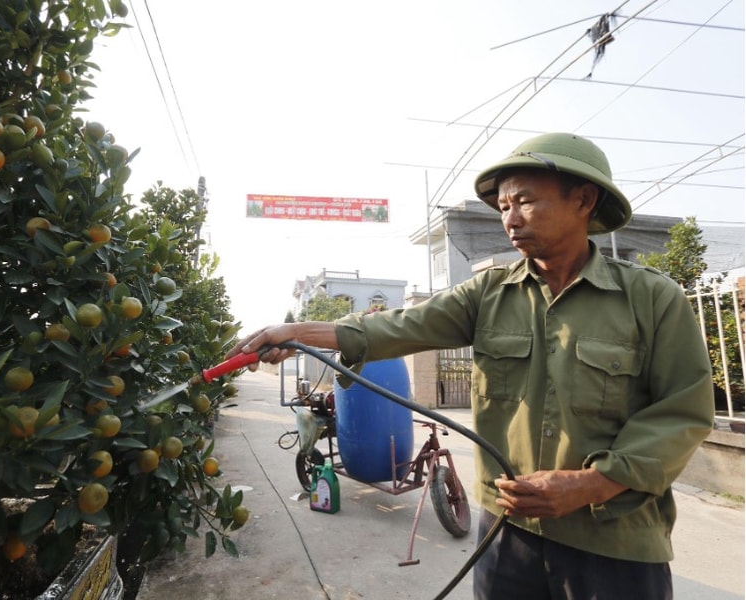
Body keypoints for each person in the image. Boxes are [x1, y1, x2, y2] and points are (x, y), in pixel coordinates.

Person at [227, 132, 715, 599]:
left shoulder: (652, 299)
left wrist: (590, 484)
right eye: (504, 206)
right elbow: (395, 326)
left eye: (525, 201)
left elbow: (682, 412)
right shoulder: (488, 294)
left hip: (615, 539)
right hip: (508, 530)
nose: (511, 218)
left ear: (584, 200)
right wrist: (295, 331)